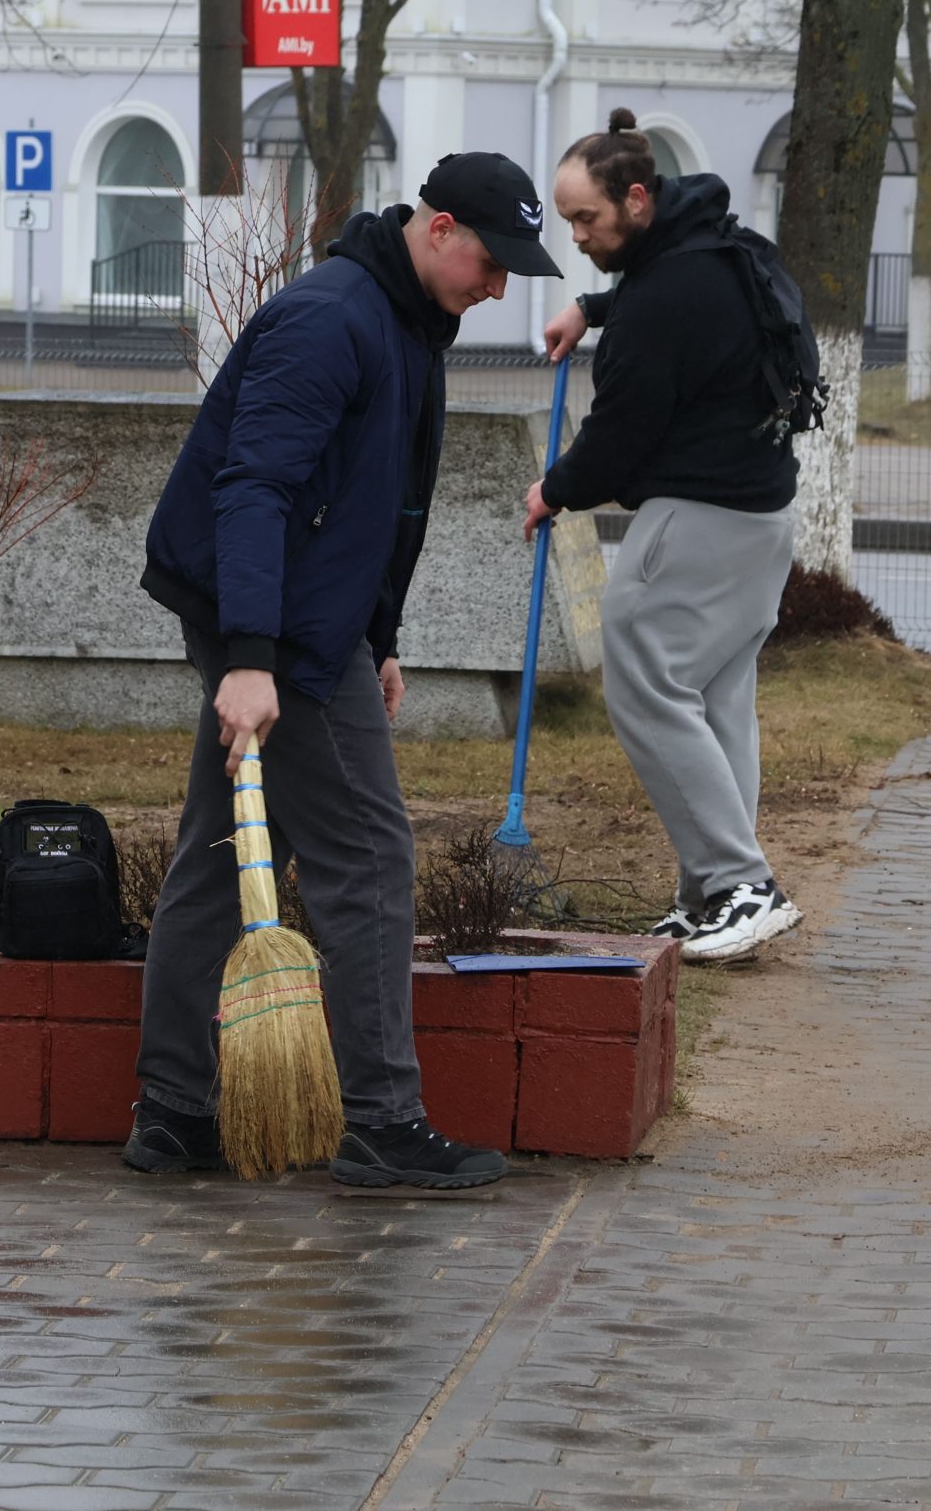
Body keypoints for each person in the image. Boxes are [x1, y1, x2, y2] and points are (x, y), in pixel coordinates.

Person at [127, 152, 562, 1189]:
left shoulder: (403, 321)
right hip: (275, 636)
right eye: (492, 262)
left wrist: (382, 636)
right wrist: (250, 660)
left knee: (216, 858)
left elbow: (374, 510)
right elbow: (255, 490)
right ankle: (380, 1119)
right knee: (369, 855)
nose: (498, 285)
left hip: (310, 628)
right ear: (439, 225)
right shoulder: (333, 320)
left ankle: (174, 1108)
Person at [530, 109, 802, 965]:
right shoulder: (718, 246)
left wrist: (554, 490)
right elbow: (671, 300)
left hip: (696, 515)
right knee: (716, 700)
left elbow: (619, 439)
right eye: (569, 219)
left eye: (587, 220)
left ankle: (739, 881)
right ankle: (711, 895)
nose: (578, 235)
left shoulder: (664, 296)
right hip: (762, 517)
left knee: (645, 680)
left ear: (637, 199)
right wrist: (593, 306)